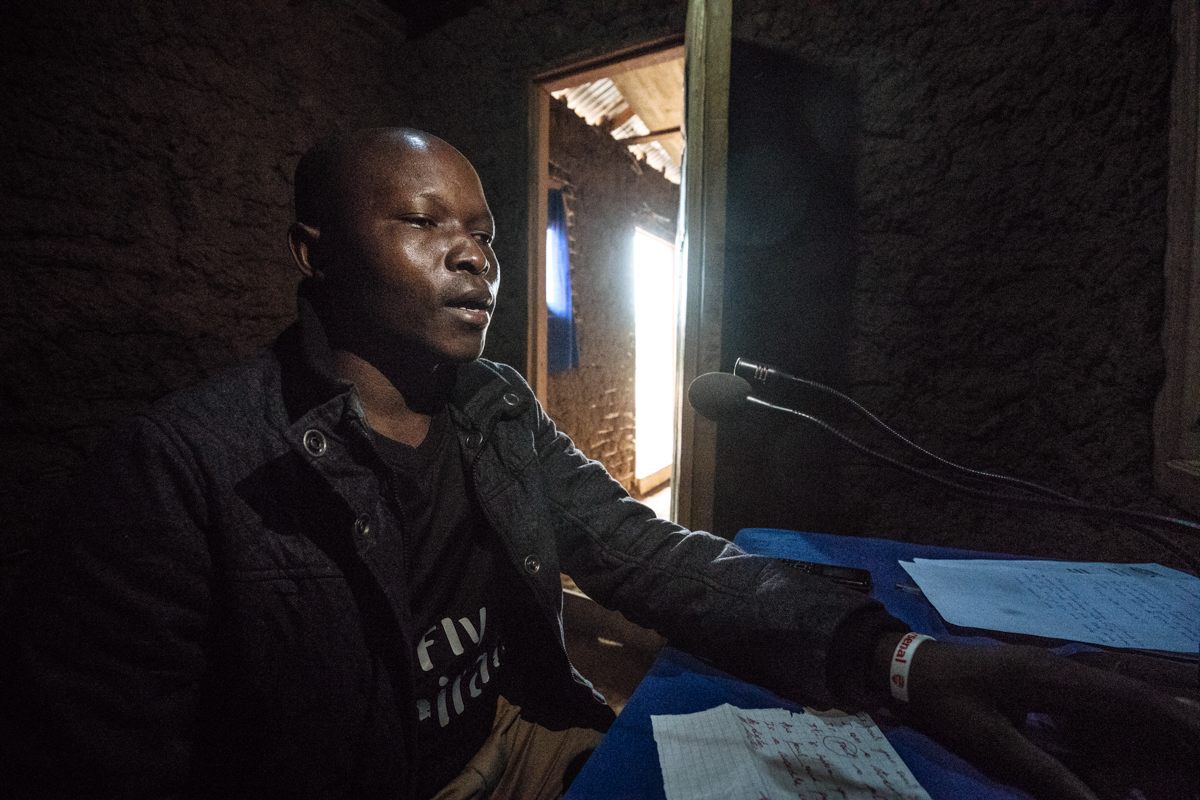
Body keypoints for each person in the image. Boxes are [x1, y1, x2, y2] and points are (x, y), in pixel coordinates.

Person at [3, 127, 1196, 800]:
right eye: (426, 223)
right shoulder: (181, 472)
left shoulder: (493, 407)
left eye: (483, 231)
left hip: (510, 743)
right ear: (315, 252)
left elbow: (643, 553)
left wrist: (890, 652)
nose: (475, 258)